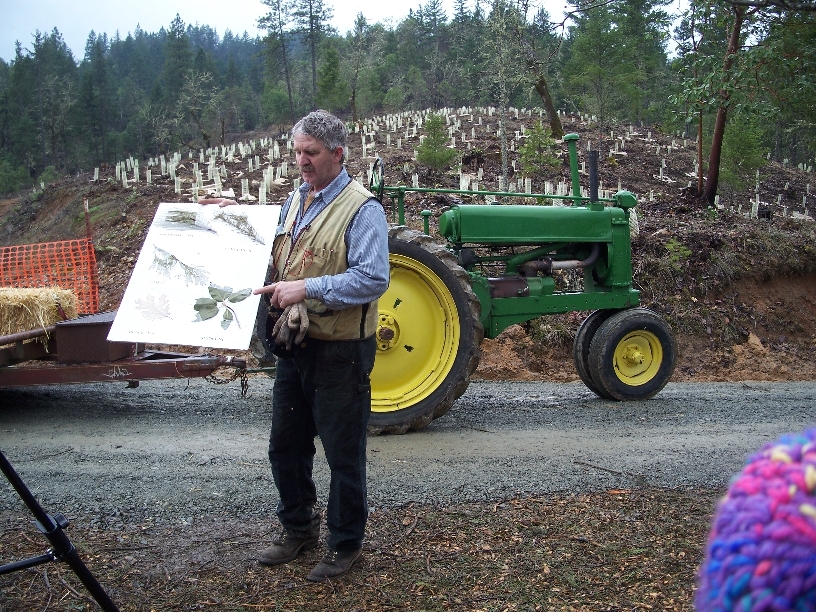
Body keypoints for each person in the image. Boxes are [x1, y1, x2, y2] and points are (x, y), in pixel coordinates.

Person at [201, 109, 389, 582]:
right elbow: (275, 244)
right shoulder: (294, 200)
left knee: (343, 454)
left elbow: (373, 278)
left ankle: (345, 544)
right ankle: (298, 529)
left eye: (312, 153)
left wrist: (306, 288)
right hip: (295, 343)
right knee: (285, 446)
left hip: (341, 352)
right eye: (298, 152)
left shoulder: (363, 209)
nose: (302, 161)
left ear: (337, 154)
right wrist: (232, 214)